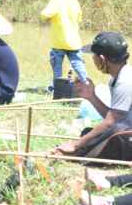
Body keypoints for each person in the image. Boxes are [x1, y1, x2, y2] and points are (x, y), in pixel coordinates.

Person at [55, 32, 132, 160]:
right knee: (89, 132)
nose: (93, 59)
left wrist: (76, 144)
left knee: (113, 132)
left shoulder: (125, 81)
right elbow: (113, 117)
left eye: (93, 56)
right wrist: (91, 96)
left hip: (126, 134)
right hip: (125, 130)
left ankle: (77, 153)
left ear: (102, 59)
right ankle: (79, 151)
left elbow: (111, 123)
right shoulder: (117, 78)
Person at [40, 0, 87, 89]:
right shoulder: (75, 2)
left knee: (57, 66)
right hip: (74, 43)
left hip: (59, 42)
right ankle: (86, 84)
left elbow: (45, 15)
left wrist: (46, 16)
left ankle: (58, 87)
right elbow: (79, 19)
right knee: (78, 64)